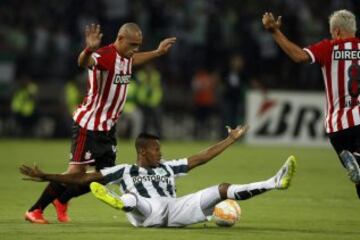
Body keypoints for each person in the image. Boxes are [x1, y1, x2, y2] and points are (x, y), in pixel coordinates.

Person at [24, 23, 176, 224]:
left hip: (107, 127)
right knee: (75, 172)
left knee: (104, 177)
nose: (136, 49)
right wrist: (89, 49)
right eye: (132, 44)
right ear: (120, 39)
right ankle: (35, 210)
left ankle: (62, 200)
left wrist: (157, 52)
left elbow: (134, 60)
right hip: (89, 126)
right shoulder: (104, 55)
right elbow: (83, 62)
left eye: (138, 45)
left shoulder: (126, 56)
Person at [20, 125, 297, 227]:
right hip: (145, 213)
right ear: (142, 151)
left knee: (222, 188)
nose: (160, 153)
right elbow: (81, 179)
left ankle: (274, 182)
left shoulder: (168, 167)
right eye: (156, 150)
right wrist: (46, 176)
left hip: (176, 211)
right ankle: (120, 200)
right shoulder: (124, 170)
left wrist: (231, 139)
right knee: (133, 198)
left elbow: (202, 157)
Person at [262, 10, 360, 197]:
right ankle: (357, 158)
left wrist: (275, 32)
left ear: (337, 32)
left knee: (359, 178)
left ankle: (355, 161)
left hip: (336, 127)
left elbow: (298, 56)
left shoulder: (328, 47)